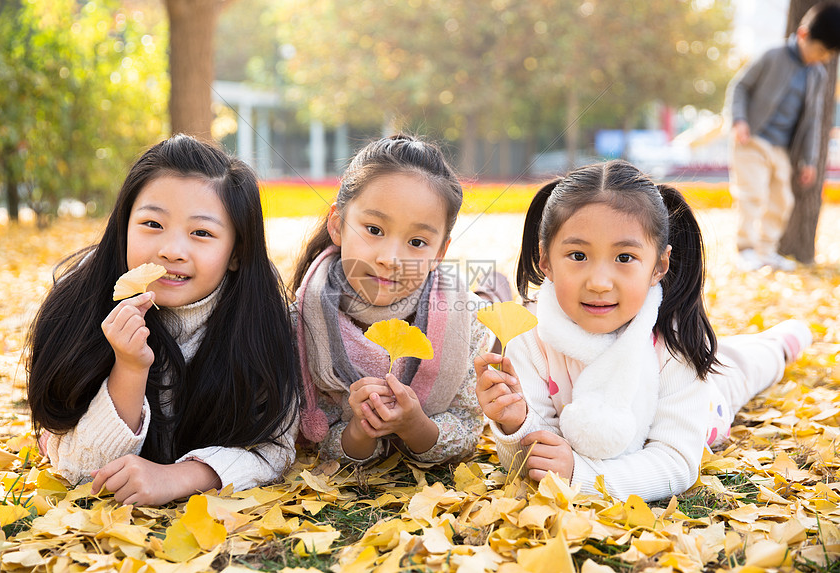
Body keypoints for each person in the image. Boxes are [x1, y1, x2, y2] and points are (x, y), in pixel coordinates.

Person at [475, 160, 812, 502]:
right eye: (578, 255)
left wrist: (583, 476)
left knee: (742, 367)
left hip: (708, 405)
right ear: (545, 259)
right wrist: (515, 423)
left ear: (659, 266)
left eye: (624, 258)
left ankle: (783, 341)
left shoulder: (675, 345)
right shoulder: (531, 337)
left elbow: (675, 463)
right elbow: (542, 458)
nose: (600, 282)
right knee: (730, 357)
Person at [27, 135, 299, 506]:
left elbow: (276, 447)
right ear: (123, 225)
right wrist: (129, 367)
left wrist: (177, 477)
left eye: (201, 233)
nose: (171, 250)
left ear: (236, 252)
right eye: (152, 224)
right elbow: (79, 470)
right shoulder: (79, 306)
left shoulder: (262, 319)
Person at [292, 134, 489, 464]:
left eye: (416, 241)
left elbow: (467, 429)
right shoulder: (301, 323)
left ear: (440, 251)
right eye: (374, 230)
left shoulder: (467, 323)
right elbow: (315, 438)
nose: (391, 258)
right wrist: (358, 430)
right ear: (338, 225)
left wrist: (416, 426)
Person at [725, 1, 840, 272]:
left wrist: (810, 160)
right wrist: (739, 120)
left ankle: (766, 251)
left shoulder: (818, 75)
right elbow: (740, 86)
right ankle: (746, 250)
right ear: (802, 35)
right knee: (752, 194)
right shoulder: (773, 56)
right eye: (821, 50)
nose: (823, 58)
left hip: (781, 149)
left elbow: (813, 121)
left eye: (829, 55)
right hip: (751, 139)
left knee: (782, 201)